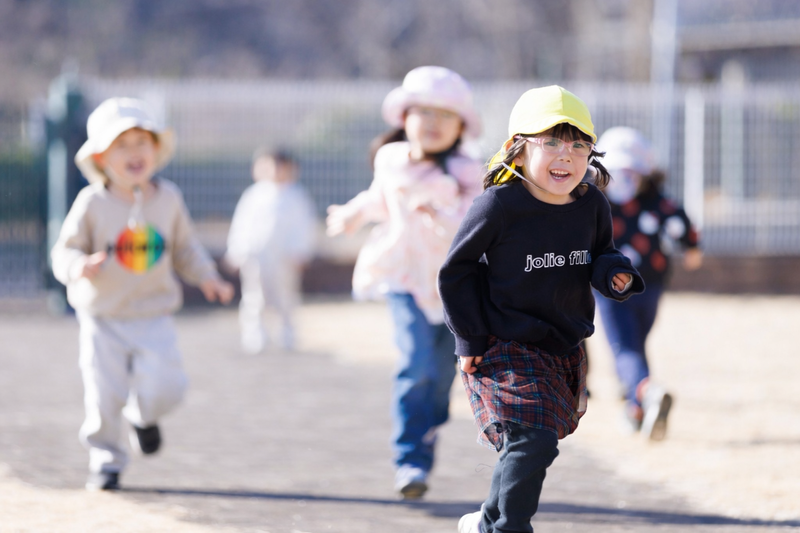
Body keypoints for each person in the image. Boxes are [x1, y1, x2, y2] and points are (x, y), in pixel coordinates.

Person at [438, 85, 645, 533]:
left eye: (577, 145)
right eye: (549, 142)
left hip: (561, 343)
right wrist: (469, 338)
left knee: (533, 442)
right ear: (516, 150)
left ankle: (486, 521)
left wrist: (615, 274)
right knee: (533, 440)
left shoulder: (591, 204)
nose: (565, 156)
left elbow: (602, 252)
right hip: (502, 342)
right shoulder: (498, 206)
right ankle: (506, 527)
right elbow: (456, 271)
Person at [51, 97, 234, 491]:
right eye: (122, 145)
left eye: (142, 142)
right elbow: (63, 249)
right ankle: (106, 460)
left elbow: (185, 248)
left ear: (156, 149)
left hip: (154, 314)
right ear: (101, 156)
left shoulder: (168, 199)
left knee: (170, 387)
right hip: (104, 316)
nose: (135, 153)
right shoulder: (93, 203)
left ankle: (144, 417)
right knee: (103, 394)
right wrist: (76, 266)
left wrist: (208, 277)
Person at [326, 66, 483, 499]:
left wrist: (440, 212)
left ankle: (429, 425)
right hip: (403, 276)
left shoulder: (469, 171)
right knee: (414, 364)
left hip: (453, 287)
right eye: (423, 113)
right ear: (404, 117)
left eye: (444, 115)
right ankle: (409, 460)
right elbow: (381, 196)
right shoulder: (391, 158)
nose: (432, 124)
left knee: (441, 375)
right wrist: (355, 214)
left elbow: (478, 222)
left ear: (461, 126)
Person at [594, 126, 702, 440]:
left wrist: (691, 246)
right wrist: (692, 249)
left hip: (623, 286)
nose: (625, 181)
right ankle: (636, 408)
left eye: (632, 174)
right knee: (632, 344)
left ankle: (646, 392)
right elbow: (684, 225)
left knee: (627, 346)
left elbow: (681, 223)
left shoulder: (601, 204)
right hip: (641, 285)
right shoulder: (604, 205)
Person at [225, 148, 317, 353]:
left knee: (286, 295)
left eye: (280, 166)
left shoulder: (296, 196)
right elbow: (241, 224)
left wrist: (301, 251)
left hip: (285, 257)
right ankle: (254, 334)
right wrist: (237, 250)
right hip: (256, 255)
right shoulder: (254, 195)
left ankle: (287, 332)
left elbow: (304, 226)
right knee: (253, 295)